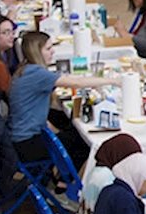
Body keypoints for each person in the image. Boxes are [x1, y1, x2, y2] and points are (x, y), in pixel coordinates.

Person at [7, 31, 106, 169]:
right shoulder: (37, 74)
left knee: (68, 123)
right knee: (84, 141)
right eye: (48, 48)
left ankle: (62, 175)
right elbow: (77, 83)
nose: (53, 51)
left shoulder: (25, 69)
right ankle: (69, 181)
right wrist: (113, 81)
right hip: (28, 144)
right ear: (36, 52)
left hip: (21, 138)